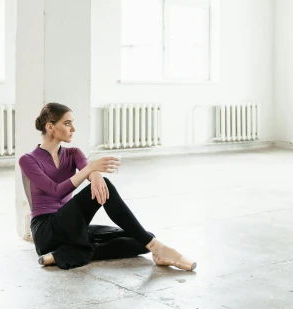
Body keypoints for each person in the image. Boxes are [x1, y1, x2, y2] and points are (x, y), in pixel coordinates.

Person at [18, 102, 197, 272]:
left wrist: (94, 173)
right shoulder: (28, 160)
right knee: (145, 237)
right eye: (67, 123)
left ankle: (62, 255)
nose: (73, 129)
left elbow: (89, 170)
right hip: (47, 231)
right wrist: (91, 169)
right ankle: (158, 248)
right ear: (50, 127)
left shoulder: (73, 153)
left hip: (71, 226)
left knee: (141, 238)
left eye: (72, 123)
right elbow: (56, 192)